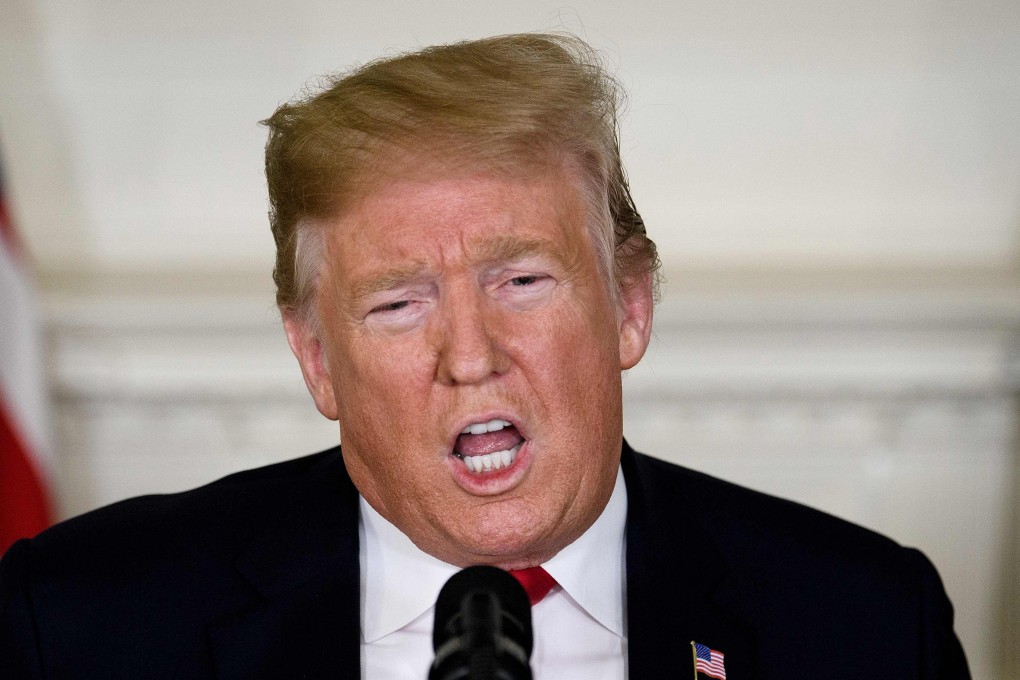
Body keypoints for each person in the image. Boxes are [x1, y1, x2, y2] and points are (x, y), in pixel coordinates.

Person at [0, 33, 969, 679]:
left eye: (522, 282)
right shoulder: (82, 622)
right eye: (398, 301)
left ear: (629, 304)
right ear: (316, 359)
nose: (470, 356)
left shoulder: (866, 622)